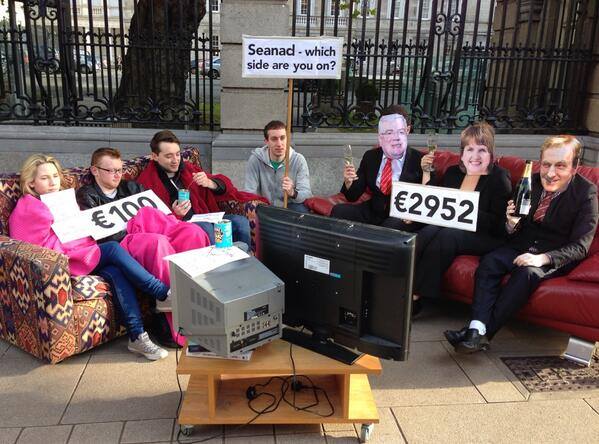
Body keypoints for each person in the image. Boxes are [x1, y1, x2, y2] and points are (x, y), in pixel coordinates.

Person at [9, 154, 171, 361]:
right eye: (44, 178)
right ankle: (162, 292)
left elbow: (77, 230)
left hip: (79, 250)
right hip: (59, 261)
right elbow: (32, 243)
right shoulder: (28, 206)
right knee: (112, 249)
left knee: (116, 271)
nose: (52, 182)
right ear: (31, 182)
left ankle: (137, 336)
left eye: (55, 176)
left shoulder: (61, 201)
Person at [445, 135, 598, 353]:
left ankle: (479, 334)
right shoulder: (530, 182)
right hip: (520, 245)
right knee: (490, 262)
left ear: (574, 168)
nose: (550, 173)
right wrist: (510, 224)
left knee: (527, 273)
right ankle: (476, 328)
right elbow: (513, 227)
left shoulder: (586, 193)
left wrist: (542, 259)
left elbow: (581, 246)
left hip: (554, 255)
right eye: (546, 164)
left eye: (560, 166)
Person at [76, 147, 211, 347]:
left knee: (193, 232)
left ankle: (203, 308)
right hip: (124, 242)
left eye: (120, 170)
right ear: (95, 170)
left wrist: (173, 214)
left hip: (154, 230)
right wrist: (137, 226)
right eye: (111, 171)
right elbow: (100, 236)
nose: (117, 175)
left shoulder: (132, 187)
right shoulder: (86, 195)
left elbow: (160, 215)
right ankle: (168, 318)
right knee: (157, 243)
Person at [411, 122, 512, 314]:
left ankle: (416, 296)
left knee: (448, 235)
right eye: (470, 149)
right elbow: (438, 205)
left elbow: (499, 223)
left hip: (485, 235)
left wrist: (467, 211)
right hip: (452, 228)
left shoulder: (499, 177)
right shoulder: (453, 173)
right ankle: (400, 283)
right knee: (427, 232)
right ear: (463, 153)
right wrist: (426, 172)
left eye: (482, 150)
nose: (475, 156)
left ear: (490, 153)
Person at [137, 130, 265, 249]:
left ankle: (245, 260)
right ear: (155, 156)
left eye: (177, 154)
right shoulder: (147, 182)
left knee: (240, 222)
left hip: (204, 216)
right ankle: (217, 263)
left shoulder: (188, 169)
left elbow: (226, 185)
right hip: (180, 225)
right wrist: (176, 214)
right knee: (206, 227)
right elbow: (152, 220)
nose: (175, 160)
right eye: (169, 156)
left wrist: (210, 183)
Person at [330, 105, 425, 230]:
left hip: (400, 215)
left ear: (407, 130)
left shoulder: (419, 160)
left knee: (388, 227)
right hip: (373, 210)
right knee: (339, 211)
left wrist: (413, 214)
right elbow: (353, 196)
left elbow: (429, 196)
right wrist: (349, 182)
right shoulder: (371, 156)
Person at [244, 120, 312, 213]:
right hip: (264, 206)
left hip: (290, 206)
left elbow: (306, 194)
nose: (279, 144)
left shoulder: (298, 160)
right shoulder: (256, 160)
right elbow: (249, 192)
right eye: (274, 139)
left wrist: (292, 193)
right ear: (266, 142)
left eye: (282, 138)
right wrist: (254, 205)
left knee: (302, 212)